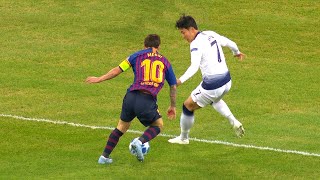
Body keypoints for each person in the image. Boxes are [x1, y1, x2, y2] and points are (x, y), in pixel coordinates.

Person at [86, 34, 177, 164]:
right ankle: (139, 142)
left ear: (144, 45)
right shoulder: (165, 61)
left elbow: (117, 70)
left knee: (121, 126)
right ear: (159, 46)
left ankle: (104, 157)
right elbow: (173, 86)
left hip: (130, 97)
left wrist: (99, 78)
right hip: (146, 100)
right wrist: (173, 106)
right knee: (158, 125)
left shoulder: (136, 55)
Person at [168, 15, 245, 145]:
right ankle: (233, 121)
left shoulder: (195, 44)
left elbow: (194, 67)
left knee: (187, 106)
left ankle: (183, 138)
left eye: (183, 32)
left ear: (191, 29)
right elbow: (231, 43)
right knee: (215, 100)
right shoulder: (210, 34)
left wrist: (179, 80)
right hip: (227, 81)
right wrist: (236, 52)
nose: (183, 36)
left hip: (213, 86)